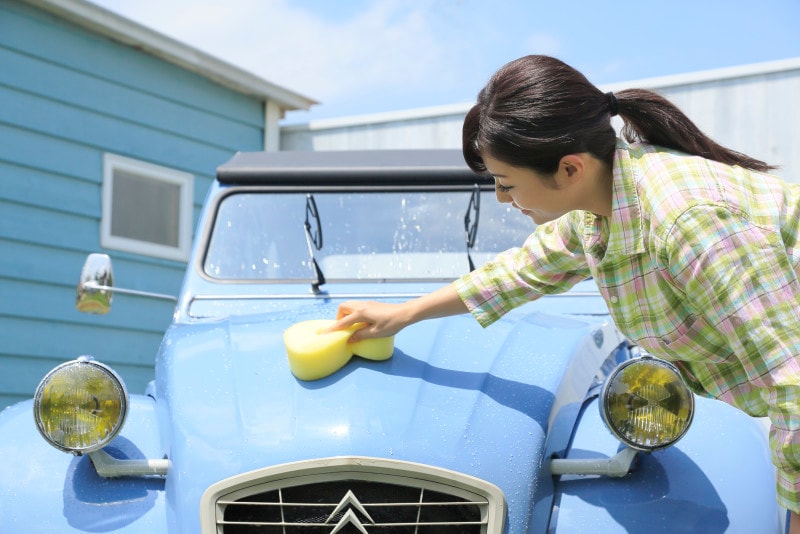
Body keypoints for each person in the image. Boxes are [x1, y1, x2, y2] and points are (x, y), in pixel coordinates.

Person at [328, 54, 800, 532]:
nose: (501, 199)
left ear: (570, 168)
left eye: (506, 183)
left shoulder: (685, 220)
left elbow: (795, 385)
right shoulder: (601, 206)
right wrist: (402, 315)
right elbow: (520, 272)